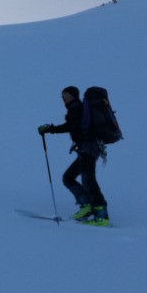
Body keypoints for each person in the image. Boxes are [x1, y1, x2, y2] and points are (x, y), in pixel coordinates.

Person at [38, 86, 109, 225]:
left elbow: (71, 126)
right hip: (87, 148)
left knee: (88, 180)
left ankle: (101, 216)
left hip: (88, 148)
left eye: (65, 94)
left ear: (73, 95)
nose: (62, 97)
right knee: (70, 177)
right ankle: (87, 206)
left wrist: (50, 129)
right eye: (61, 95)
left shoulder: (76, 107)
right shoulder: (77, 108)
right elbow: (74, 126)